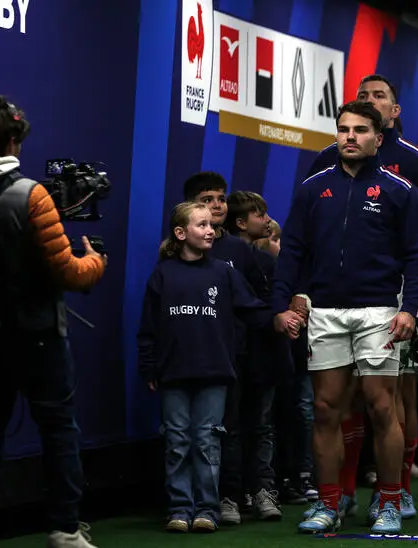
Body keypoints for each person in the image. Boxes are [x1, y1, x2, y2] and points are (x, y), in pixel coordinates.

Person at [0, 96, 106, 548]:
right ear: (12, 140)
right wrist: (96, 261)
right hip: (36, 334)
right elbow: (68, 272)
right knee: (59, 427)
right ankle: (66, 529)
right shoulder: (31, 193)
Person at [272, 101, 418, 534]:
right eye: (343, 129)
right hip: (324, 312)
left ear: (378, 138)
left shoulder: (401, 191)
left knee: (382, 408)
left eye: (360, 130)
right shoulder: (313, 189)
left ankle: (390, 502)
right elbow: (292, 252)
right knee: (325, 410)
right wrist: (280, 304)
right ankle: (328, 504)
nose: (349, 137)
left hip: (380, 310)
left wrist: (408, 308)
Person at [307, 74, 418, 521]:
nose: (368, 102)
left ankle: (399, 490)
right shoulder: (323, 163)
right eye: (362, 97)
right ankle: (344, 490)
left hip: (402, 292)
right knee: (341, 399)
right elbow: (306, 236)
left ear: (393, 114)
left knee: (395, 398)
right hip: (338, 296)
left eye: (379, 98)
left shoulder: (416, 164)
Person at [137, 202, 302, 533]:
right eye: (202, 225)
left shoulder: (224, 273)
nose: (211, 230)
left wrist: (278, 317)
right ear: (181, 233)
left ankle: (207, 510)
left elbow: (252, 309)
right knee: (177, 441)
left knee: (208, 440)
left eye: (212, 225)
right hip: (173, 374)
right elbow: (148, 328)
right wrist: (149, 367)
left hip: (215, 372)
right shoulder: (163, 274)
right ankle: (180, 508)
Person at [182, 172, 268, 523]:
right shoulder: (174, 255)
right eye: (207, 199)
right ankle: (192, 501)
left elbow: (259, 301)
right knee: (191, 432)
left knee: (240, 425)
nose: (217, 205)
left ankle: (237, 494)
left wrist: (283, 317)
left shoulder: (239, 250)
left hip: (237, 353)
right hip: (193, 355)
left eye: (221, 198)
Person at [223, 190, 286, 520]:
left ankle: (262, 490)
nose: (267, 219)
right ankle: (231, 495)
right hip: (230, 355)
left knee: (261, 425)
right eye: (259, 214)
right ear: (241, 222)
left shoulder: (268, 262)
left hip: (262, 354)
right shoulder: (217, 260)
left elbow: (273, 307)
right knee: (230, 426)